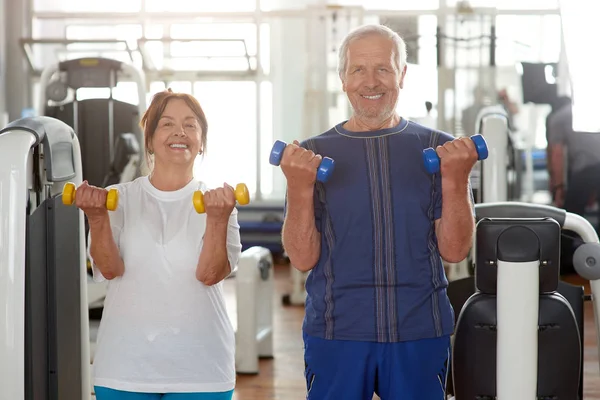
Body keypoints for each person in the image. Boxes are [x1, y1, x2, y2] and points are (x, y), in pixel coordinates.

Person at [279, 24, 478, 399]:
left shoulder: (439, 150)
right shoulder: (310, 156)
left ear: (402, 74)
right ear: (343, 78)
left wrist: (457, 179)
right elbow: (302, 259)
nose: (371, 82)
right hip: (337, 331)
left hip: (418, 329)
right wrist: (298, 187)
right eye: (358, 69)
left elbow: (455, 251)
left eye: (383, 69)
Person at [75, 89, 242, 400]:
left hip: (202, 370)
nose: (180, 132)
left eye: (190, 125)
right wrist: (96, 217)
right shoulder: (119, 198)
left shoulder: (219, 201)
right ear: (149, 140)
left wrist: (217, 219)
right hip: (123, 367)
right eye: (167, 124)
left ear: (202, 141)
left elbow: (210, 274)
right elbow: (109, 269)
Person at [547, 98, 600, 226]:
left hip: (585, 168)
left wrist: (558, 187)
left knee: (571, 222)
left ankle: (568, 245)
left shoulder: (558, 118)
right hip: (591, 166)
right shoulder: (592, 112)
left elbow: (556, 154)